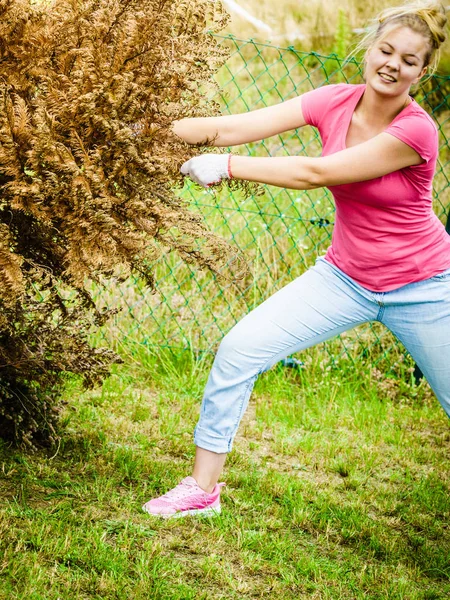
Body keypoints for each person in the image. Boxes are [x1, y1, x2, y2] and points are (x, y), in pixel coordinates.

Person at [143, 0, 450, 519]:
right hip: (344, 278)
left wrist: (228, 167)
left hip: (425, 288)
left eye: (408, 60)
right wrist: (140, 136)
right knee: (239, 350)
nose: (392, 64)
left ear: (423, 73)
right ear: (369, 49)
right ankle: (202, 491)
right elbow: (234, 126)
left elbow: (317, 173)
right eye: (386, 49)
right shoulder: (333, 101)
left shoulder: (417, 131)